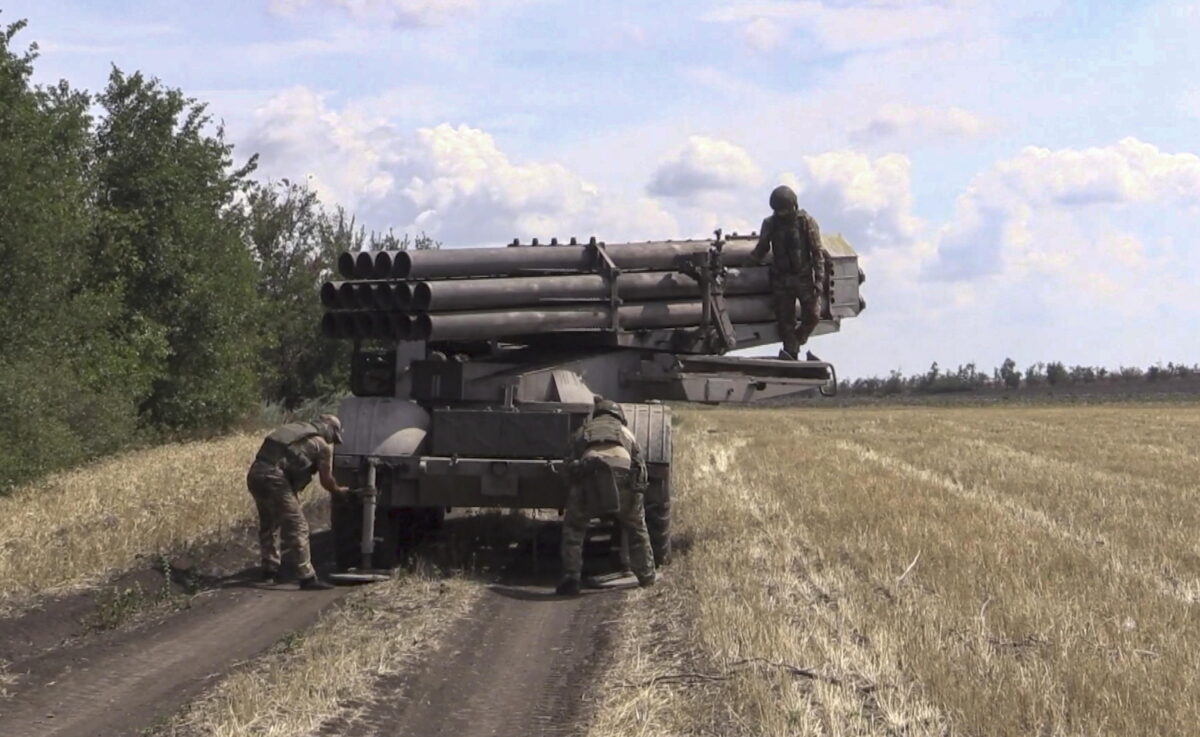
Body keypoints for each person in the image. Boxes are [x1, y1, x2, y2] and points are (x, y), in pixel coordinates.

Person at [557, 397, 655, 596]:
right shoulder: (627, 433)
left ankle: (571, 577)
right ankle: (646, 576)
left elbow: (568, 466)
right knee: (637, 529)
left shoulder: (583, 431)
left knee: (574, 530)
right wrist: (637, 494)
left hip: (590, 475)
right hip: (623, 476)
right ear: (618, 416)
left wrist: (574, 490)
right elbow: (640, 466)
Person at [247, 414, 349, 590]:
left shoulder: (293, 430)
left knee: (269, 523)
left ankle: (269, 570)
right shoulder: (321, 445)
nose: (331, 441)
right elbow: (326, 481)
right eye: (333, 437)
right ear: (329, 428)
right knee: (298, 526)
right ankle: (307, 577)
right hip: (275, 479)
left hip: (255, 474)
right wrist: (338, 490)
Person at [749, 185, 826, 360]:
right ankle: (791, 353)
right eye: (779, 210)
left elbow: (817, 252)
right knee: (785, 322)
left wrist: (819, 279)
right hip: (781, 279)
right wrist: (747, 264)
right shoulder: (770, 223)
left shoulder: (806, 222)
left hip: (803, 277)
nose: (782, 214)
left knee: (813, 316)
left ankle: (797, 341)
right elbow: (762, 247)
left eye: (785, 209)